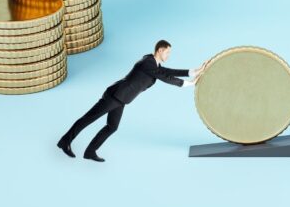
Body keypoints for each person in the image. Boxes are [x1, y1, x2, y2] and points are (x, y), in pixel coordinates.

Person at [57, 40, 206, 162]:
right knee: (88, 119)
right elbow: (165, 77)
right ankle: (65, 141)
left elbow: (167, 72)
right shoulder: (148, 62)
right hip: (114, 96)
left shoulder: (154, 64)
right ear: (160, 50)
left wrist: (192, 71)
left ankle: (90, 151)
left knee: (112, 126)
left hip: (121, 99)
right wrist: (189, 84)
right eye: (168, 52)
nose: (169, 55)